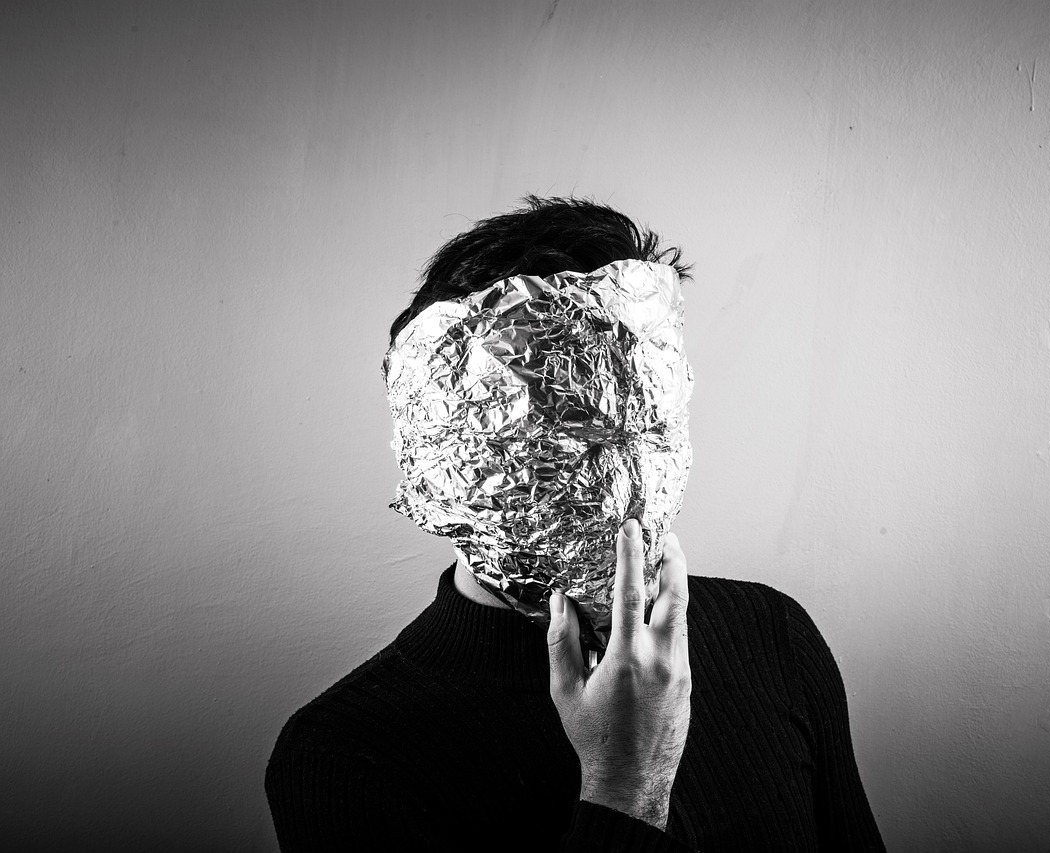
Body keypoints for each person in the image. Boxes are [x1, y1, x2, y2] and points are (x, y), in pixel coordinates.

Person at [264, 197, 885, 851]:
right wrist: (625, 789)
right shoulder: (345, 762)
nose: (633, 476)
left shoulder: (771, 637)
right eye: (576, 426)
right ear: (452, 452)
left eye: (649, 414)